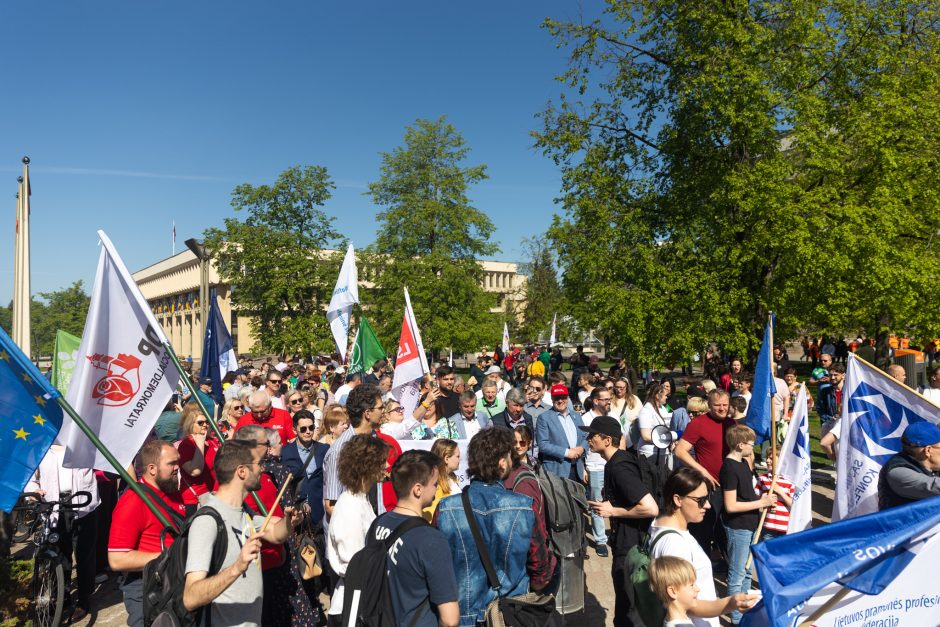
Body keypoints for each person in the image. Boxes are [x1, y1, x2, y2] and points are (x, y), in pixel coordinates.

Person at [437, 428, 554, 625]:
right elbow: (540, 567)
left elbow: (437, 566)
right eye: (509, 456)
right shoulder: (524, 506)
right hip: (509, 613)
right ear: (502, 463)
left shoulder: (445, 509)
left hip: (462, 616)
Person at [182, 440, 302, 627]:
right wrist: (238, 566)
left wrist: (289, 522)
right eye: (258, 465)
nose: (262, 470)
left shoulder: (243, 511)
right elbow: (190, 597)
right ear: (242, 471)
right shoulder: (207, 521)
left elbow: (275, 534)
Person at [649, 468, 756, 627]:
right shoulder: (675, 545)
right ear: (678, 500)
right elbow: (688, 605)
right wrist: (731, 603)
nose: (707, 505)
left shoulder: (660, 525)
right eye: (700, 500)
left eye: (707, 498)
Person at [582, 416, 658, 627]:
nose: (588, 438)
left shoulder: (619, 468)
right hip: (628, 542)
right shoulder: (617, 462)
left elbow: (650, 507)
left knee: (628, 611)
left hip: (630, 548)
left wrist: (613, 510)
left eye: (592, 435)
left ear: (607, 440)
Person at [369, 450, 459, 627]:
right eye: (434, 484)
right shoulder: (431, 539)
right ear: (418, 489)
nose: (438, 488)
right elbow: (450, 620)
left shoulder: (377, 525)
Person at [108, 441, 187, 627]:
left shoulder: (173, 491)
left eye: (178, 462)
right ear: (152, 468)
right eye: (172, 463)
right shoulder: (133, 501)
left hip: (175, 583)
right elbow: (117, 559)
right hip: (147, 590)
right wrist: (169, 556)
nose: (178, 468)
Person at [26, 445, 101, 622]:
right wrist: (33, 491)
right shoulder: (42, 442)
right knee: (60, 554)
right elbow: (29, 475)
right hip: (53, 505)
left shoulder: (81, 440)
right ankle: (62, 596)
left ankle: (83, 599)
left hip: (83, 504)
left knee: (84, 554)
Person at [326, 434, 390, 626]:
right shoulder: (350, 506)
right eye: (381, 462)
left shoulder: (361, 500)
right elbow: (354, 563)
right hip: (353, 605)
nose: (387, 466)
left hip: (363, 600)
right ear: (366, 465)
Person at [720, 425, 775, 624]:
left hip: (751, 524)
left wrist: (762, 497)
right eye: (751, 444)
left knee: (746, 573)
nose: (754, 447)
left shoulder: (743, 463)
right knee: (737, 574)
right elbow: (731, 505)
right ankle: (736, 618)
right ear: (740, 444)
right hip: (738, 527)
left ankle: (744, 612)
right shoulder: (729, 468)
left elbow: (747, 492)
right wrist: (761, 503)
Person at [674, 389, 736, 557]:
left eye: (725, 405)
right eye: (717, 405)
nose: (722, 408)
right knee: (704, 530)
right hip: (709, 487)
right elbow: (680, 451)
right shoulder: (698, 423)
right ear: (709, 405)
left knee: (727, 529)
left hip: (730, 485)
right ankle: (700, 566)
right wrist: (703, 471)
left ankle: (727, 564)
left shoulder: (731, 424)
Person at [877, 422, 940, 510]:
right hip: (907, 523)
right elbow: (935, 487)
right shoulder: (898, 473)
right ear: (928, 450)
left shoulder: (933, 464)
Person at [581, 386, 613, 556]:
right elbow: (582, 445)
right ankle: (601, 540)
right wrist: (585, 467)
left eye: (610, 398)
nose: (609, 402)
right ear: (595, 401)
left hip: (612, 466)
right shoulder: (586, 419)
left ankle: (614, 534)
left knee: (614, 501)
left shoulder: (612, 416)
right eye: (606, 399)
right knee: (597, 504)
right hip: (594, 467)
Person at [282, 410, 329, 525]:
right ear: (294, 430)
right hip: (296, 514)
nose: (308, 432)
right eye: (303, 429)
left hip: (320, 512)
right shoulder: (285, 452)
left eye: (311, 427)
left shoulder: (324, 449)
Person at [536, 383, 587, 481]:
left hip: (577, 468)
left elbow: (585, 436)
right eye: (556, 398)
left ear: (567, 398)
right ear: (552, 399)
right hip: (557, 470)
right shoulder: (544, 418)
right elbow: (542, 444)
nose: (560, 401)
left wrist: (582, 448)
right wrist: (567, 453)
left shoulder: (576, 416)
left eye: (563, 397)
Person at [177, 403, 219, 516]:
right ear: (191, 425)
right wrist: (200, 443)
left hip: (214, 494)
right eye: (200, 423)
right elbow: (195, 471)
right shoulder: (186, 445)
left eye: (207, 422)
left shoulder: (212, 441)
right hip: (196, 500)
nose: (205, 425)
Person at [422, 438, 461, 521]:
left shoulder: (452, 477)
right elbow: (430, 516)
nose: (460, 459)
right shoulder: (434, 484)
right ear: (446, 458)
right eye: (457, 456)